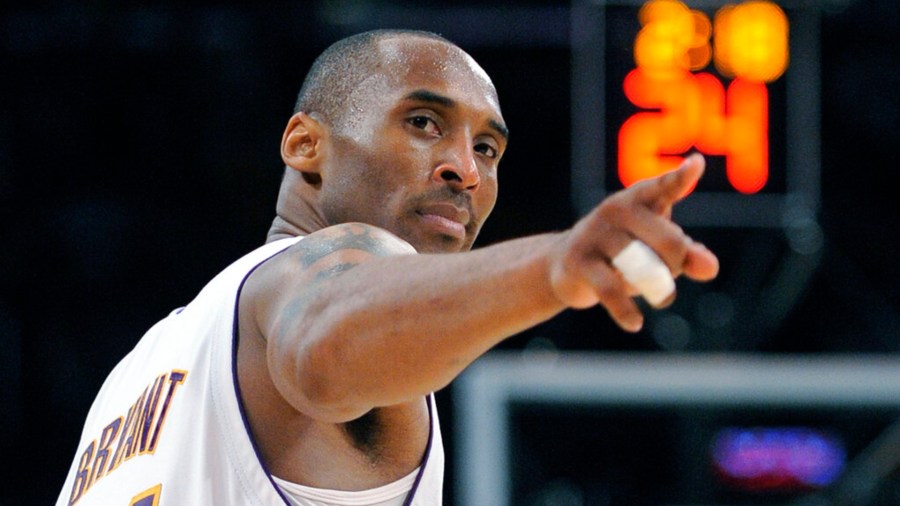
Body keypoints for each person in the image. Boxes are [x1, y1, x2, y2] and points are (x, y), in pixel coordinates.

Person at [56, 28, 719, 506]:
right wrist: (553, 266)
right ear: (305, 143)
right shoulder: (324, 269)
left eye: (487, 147)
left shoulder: (141, 372)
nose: (466, 168)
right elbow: (323, 334)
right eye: (425, 122)